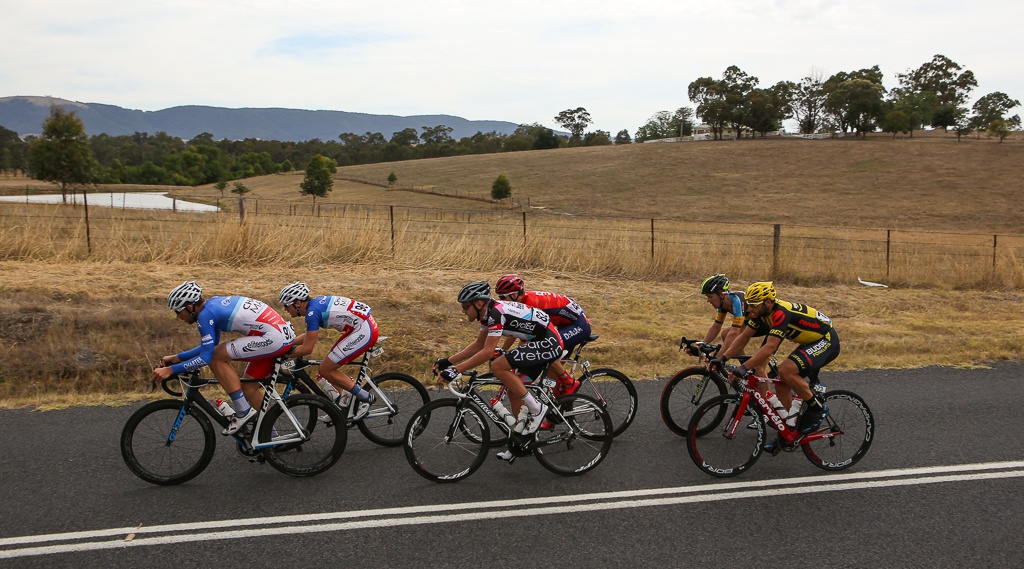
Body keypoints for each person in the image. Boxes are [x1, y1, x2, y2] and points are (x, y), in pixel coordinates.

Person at [434, 281, 564, 455]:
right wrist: (448, 361)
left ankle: (537, 409)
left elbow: (487, 352)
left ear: (479, 303)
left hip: (548, 342)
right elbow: (479, 344)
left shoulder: (496, 314)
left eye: (465, 306)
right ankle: (521, 440)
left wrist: (456, 370)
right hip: (538, 341)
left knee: (498, 365)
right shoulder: (488, 314)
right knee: (513, 390)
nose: (463, 311)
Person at [151, 281, 296, 435]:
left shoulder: (205, 316)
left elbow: (207, 357)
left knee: (215, 358)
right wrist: (177, 358)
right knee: (249, 388)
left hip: (273, 337)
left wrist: (170, 370)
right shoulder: (212, 306)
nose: (178, 316)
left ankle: (243, 411)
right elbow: (210, 346)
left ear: (189, 307)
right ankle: (270, 437)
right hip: (279, 335)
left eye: (178, 311)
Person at [713, 281, 839, 439]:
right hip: (809, 341)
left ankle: (818, 410)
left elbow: (770, 347)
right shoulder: (761, 313)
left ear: (767, 302)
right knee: (782, 381)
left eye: (753, 305)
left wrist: (744, 368)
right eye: (749, 304)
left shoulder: (780, 313)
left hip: (825, 340)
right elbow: (743, 337)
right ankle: (789, 430)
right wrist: (723, 358)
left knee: (786, 371)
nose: (750, 309)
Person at [277, 281, 378, 418]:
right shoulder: (314, 307)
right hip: (360, 326)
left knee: (325, 369)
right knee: (328, 365)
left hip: (364, 330)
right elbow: (309, 336)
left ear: (298, 303)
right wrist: (286, 345)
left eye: (286, 306)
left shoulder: (312, 313)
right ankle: (343, 402)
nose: (285, 310)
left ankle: (365, 398)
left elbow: (307, 348)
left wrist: (284, 353)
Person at [493, 274, 587, 396]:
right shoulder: (521, 303)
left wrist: (513, 356)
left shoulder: (531, 304)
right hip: (563, 324)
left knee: (547, 348)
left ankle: (569, 382)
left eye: (502, 297)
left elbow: (524, 339)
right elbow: (516, 331)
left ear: (514, 295)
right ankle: (557, 401)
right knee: (548, 371)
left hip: (578, 324)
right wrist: (503, 350)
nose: (500, 301)